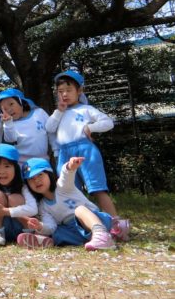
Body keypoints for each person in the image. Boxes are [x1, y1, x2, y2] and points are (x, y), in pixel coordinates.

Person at [45, 70, 130, 240]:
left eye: (68, 90)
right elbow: (49, 128)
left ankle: (117, 225)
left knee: (97, 188)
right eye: (60, 91)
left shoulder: (86, 109)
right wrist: (58, 111)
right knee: (69, 190)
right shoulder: (59, 113)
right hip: (64, 153)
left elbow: (108, 122)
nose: (64, 95)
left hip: (85, 150)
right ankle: (87, 225)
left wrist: (90, 128)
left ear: (80, 90)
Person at [18, 157, 116, 250]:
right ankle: (46, 242)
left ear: (49, 174)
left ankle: (102, 235)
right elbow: (51, 226)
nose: (36, 180)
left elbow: (67, 175)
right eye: (31, 179)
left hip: (95, 220)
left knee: (79, 210)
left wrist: (70, 166)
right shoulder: (43, 206)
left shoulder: (62, 186)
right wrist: (40, 226)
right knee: (57, 232)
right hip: (74, 230)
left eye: (40, 175)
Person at [0, 144, 37, 246]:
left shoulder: (22, 186)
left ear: (15, 167)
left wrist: (5, 211)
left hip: (20, 226)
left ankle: (28, 234)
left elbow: (33, 209)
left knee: (15, 198)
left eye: (7, 166)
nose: (2, 171)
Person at [0, 88, 54, 163]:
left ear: (21, 101)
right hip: (23, 163)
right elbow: (10, 139)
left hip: (43, 160)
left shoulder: (39, 113)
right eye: (5, 109)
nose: (9, 110)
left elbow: (51, 131)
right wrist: (8, 123)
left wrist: (56, 150)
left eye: (11, 104)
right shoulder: (10, 124)